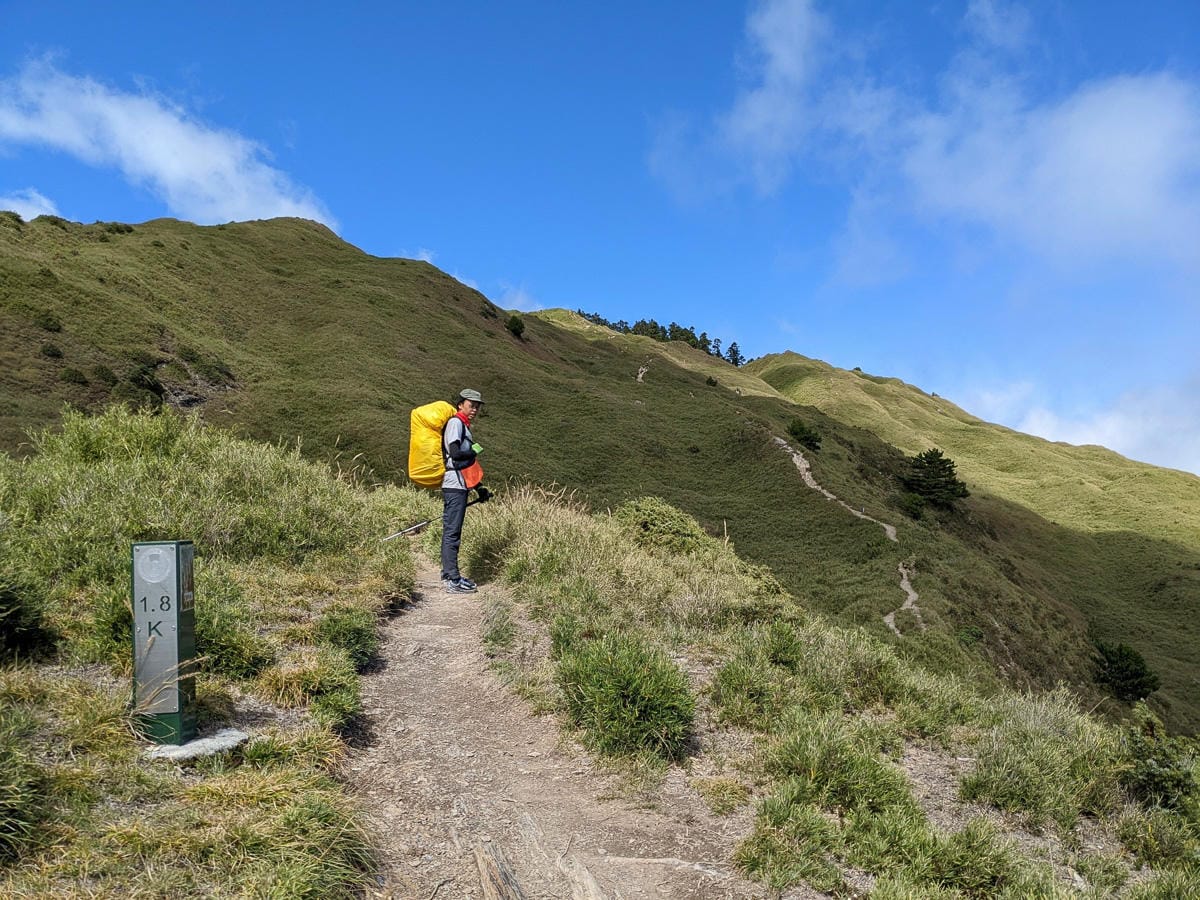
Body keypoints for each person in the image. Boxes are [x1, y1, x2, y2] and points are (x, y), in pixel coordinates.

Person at [441, 388, 485, 593]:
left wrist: (479, 488)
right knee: (452, 532)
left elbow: (465, 465)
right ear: (461, 405)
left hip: (460, 484)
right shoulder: (456, 423)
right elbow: (457, 455)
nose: (474, 408)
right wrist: (473, 451)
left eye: (477, 406)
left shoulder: (463, 426)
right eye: (471, 404)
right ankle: (453, 580)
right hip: (454, 485)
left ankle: (450, 575)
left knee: (452, 530)